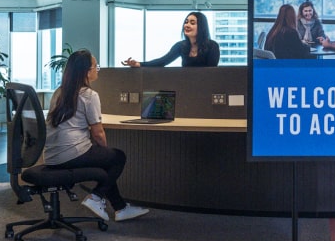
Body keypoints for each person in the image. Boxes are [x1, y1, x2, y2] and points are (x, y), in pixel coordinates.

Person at [46, 49, 149, 222]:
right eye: (96, 66)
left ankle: (120, 208)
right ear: (87, 72)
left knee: (106, 160)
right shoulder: (89, 95)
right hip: (71, 154)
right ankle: (96, 197)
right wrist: (105, 151)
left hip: (52, 156)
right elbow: (98, 133)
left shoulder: (59, 92)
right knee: (117, 157)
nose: (97, 70)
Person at [122, 11, 220, 67]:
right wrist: (139, 64)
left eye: (192, 23)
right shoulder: (180, 46)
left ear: (201, 27)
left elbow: (212, 73)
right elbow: (163, 61)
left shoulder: (212, 46)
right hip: (186, 86)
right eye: (186, 22)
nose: (187, 25)